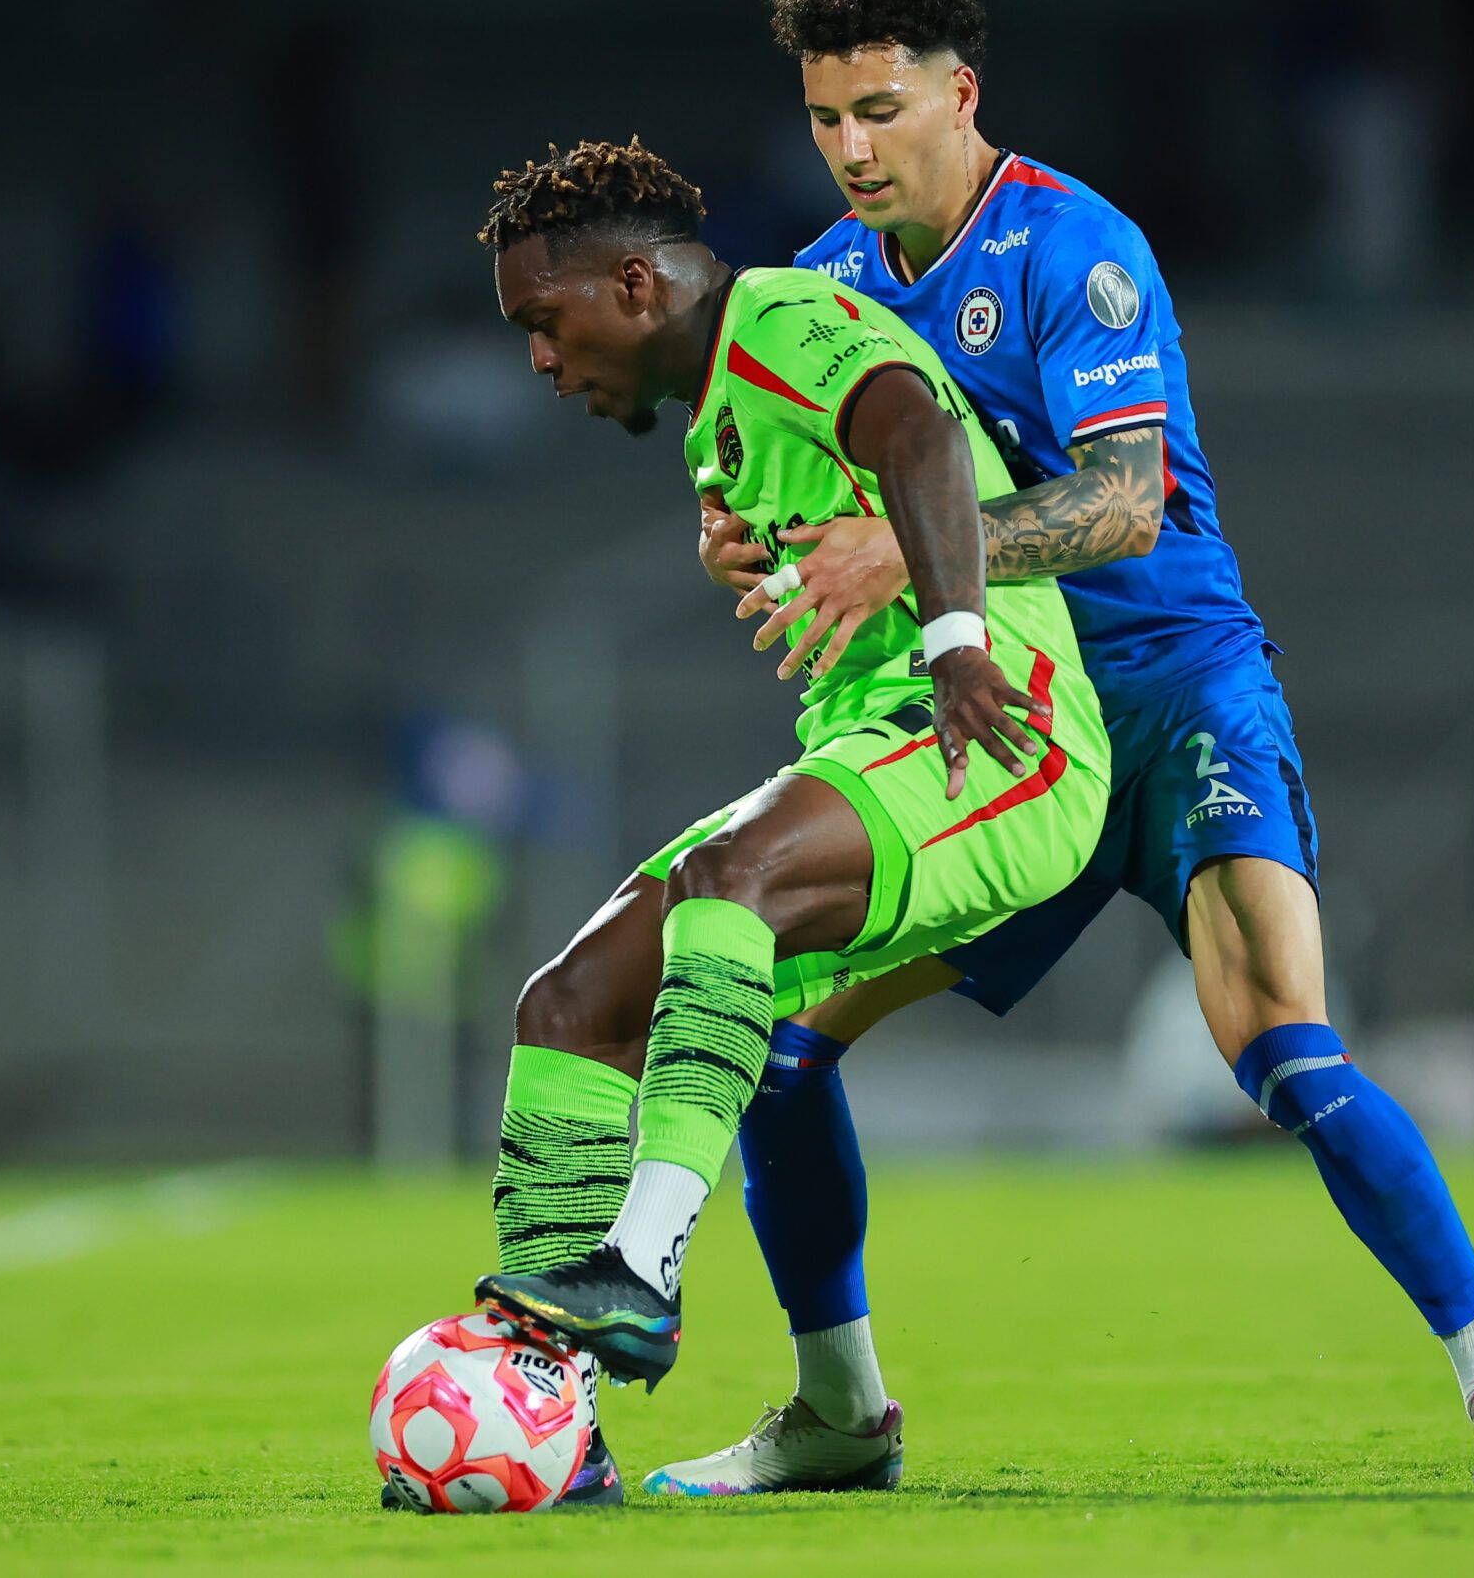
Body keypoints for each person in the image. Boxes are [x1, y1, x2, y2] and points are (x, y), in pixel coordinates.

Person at [647, 0, 1474, 1495]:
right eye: (825, 121)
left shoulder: (1075, 249)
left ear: (962, 92)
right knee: (784, 1046)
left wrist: (911, 546)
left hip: (1169, 694)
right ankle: (839, 1413)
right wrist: (736, 531)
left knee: (1275, 1037)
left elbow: (1129, 502)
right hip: (1005, 727)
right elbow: (745, 462)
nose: (855, 149)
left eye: (880, 110)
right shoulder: (812, 292)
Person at [464, 137, 1112, 1503]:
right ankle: (547, 1415)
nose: (539, 358)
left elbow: (920, 430)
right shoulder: (724, 409)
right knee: (570, 1000)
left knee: (730, 878)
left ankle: (638, 1265)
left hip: (1001, 731)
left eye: (546, 320)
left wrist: (952, 640)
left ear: (637, 284)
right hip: (885, 753)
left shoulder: (778, 317)